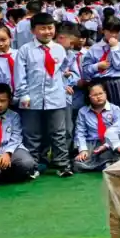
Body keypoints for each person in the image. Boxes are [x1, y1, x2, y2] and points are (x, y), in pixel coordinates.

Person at [14, 12, 71, 177]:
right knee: (32, 135)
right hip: (32, 98)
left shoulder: (59, 49)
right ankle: (32, 166)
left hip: (56, 98)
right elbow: (20, 75)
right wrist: (23, 94)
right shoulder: (25, 50)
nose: (47, 32)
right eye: (43, 28)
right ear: (33, 30)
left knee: (58, 133)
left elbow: (63, 70)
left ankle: (62, 165)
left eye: (50, 28)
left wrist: (65, 85)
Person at [0, 82, 38, 188]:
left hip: (11, 149)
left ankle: (2, 172)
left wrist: (7, 153)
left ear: (9, 100)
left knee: (27, 163)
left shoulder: (14, 116)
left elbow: (16, 137)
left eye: (3, 101)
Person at [73, 81, 120, 171]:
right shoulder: (83, 111)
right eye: (94, 95)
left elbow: (119, 129)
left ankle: (103, 164)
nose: (98, 97)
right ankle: (106, 165)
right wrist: (83, 150)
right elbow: (80, 132)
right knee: (78, 163)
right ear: (89, 96)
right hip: (92, 144)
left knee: (119, 152)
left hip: (110, 142)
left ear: (105, 93)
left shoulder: (115, 109)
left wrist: (106, 145)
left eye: (101, 93)